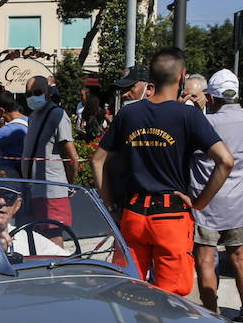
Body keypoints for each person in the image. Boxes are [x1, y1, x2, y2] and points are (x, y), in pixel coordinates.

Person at [91, 48, 234, 296]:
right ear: (182, 76)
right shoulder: (188, 115)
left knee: (127, 291)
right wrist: (199, 203)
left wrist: (110, 204)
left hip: (133, 215)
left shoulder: (129, 113)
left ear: (151, 80)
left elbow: (97, 160)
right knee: (171, 299)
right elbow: (225, 160)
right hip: (171, 217)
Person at [191, 69, 243, 322]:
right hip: (239, 202)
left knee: (206, 258)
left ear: (211, 98)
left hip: (206, 201)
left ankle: (212, 314)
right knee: (239, 253)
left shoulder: (206, 123)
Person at [20, 74, 80, 222]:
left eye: (37, 92)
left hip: (52, 191)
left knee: (53, 236)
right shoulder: (33, 117)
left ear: (48, 92)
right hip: (33, 190)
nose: (32, 97)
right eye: (28, 94)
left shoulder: (58, 115)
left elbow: (72, 157)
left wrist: (69, 185)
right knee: (37, 238)